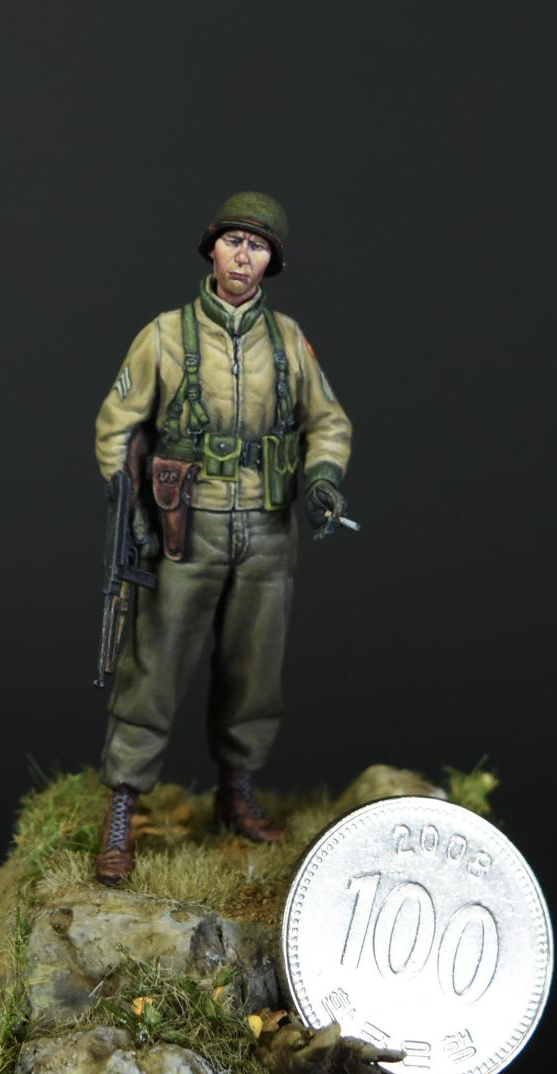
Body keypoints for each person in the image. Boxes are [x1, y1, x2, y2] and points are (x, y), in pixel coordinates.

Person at [94, 192, 354, 884]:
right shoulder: (164, 336)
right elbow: (116, 424)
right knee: (153, 667)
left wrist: (323, 477)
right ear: (211, 248)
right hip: (185, 528)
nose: (243, 256)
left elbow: (328, 420)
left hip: (266, 527)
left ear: (271, 262)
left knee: (255, 669)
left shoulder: (287, 341)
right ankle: (121, 808)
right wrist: (131, 509)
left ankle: (237, 791)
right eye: (233, 241)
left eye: (257, 246)